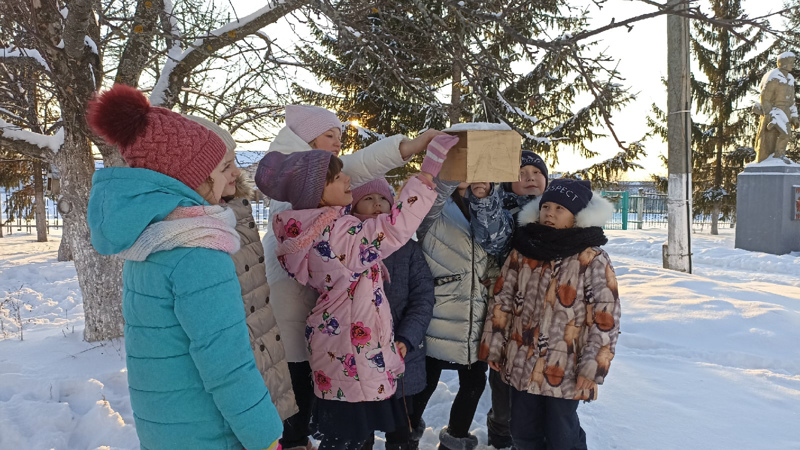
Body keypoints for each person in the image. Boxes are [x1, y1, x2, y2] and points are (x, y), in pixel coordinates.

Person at [86, 84, 282, 450]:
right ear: (192, 177)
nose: (233, 177)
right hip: (208, 432)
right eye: (224, 167)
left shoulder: (150, 238)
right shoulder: (197, 253)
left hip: (166, 428)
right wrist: (265, 437)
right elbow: (227, 365)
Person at [256, 135, 459, 450]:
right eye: (338, 177)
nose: (348, 178)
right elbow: (393, 229)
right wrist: (427, 172)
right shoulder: (337, 235)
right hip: (352, 353)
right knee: (347, 440)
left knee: (348, 436)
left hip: (345, 346)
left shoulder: (317, 229)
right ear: (318, 193)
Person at [480, 179, 621, 450]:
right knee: (522, 432)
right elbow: (502, 301)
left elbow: (605, 319)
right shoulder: (523, 251)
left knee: (561, 437)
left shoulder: (591, 258)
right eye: (546, 206)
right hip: (521, 361)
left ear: (577, 216)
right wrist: (494, 348)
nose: (550, 213)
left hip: (565, 368)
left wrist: (592, 367)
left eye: (560, 208)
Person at [182, 114, 299, 422]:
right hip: (234, 392)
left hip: (259, 366)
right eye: (225, 165)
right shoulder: (194, 233)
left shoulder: (233, 210)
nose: (236, 171)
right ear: (193, 172)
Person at [466, 150, 550, 449]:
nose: (529, 178)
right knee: (504, 380)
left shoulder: (560, 211)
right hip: (509, 312)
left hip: (550, 314)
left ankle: (538, 433)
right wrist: (486, 198)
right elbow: (493, 237)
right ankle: (501, 435)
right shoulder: (504, 210)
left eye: (536, 173)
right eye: (521, 174)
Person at [350, 179, 436, 450]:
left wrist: (406, 338)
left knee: (401, 433)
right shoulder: (345, 245)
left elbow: (423, 297)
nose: (377, 204)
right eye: (368, 198)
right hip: (356, 357)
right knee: (357, 431)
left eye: (383, 199)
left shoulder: (407, 249)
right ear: (353, 206)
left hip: (399, 356)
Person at [411, 180, 497, 450]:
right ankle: (406, 434)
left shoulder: (492, 201)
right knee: (425, 379)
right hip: (439, 309)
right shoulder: (435, 202)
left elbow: (501, 242)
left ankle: (456, 437)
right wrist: (447, 178)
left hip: (478, 311)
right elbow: (424, 214)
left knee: (473, 381)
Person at [754, 51, 800, 163]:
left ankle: (779, 154)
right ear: (783, 63)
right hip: (775, 110)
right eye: (791, 62)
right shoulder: (774, 76)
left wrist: (794, 116)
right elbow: (765, 98)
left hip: (786, 111)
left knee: (786, 134)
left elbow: (792, 101)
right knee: (782, 135)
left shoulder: (790, 78)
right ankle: (776, 157)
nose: (792, 65)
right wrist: (768, 113)